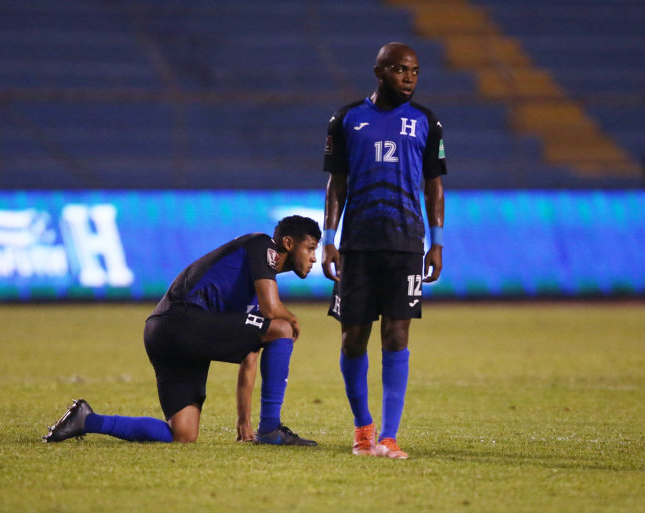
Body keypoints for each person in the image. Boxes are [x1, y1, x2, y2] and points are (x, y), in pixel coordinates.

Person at [43, 215, 321, 446]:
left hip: (164, 333)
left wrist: (243, 422)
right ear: (288, 243)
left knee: (182, 433)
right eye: (310, 248)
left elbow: (249, 356)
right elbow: (273, 311)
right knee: (282, 327)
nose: (314, 258)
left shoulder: (254, 287)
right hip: (182, 321)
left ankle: (87, 419)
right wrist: (293, 319)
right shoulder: (263, 246)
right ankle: (272, 429)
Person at [321, 42, 446, 459]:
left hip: (406, 243)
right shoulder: (347, 119)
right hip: (357, 244)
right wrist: (328, 240)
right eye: (399, 70)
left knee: (397, 333)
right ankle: (363, 428)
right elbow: (336, 183)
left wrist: (437, 242)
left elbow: (434, 186)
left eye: (414, 71)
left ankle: (390, 437)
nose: (409, 77)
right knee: (353, 338)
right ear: (379, 72)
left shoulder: (427, 122)